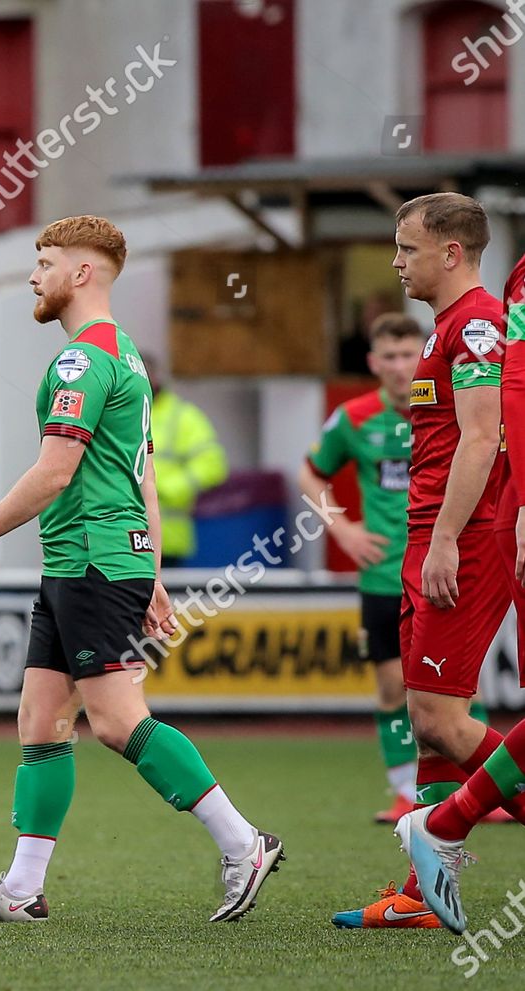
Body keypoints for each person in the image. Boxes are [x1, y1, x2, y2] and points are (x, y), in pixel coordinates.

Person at [0, 215, 282, 925]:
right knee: (42, 718)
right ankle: (22, 887)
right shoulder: (124, 355)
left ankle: (243, 842)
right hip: (88, 560)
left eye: (45, 262)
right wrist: (152, 572)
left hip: (92, 558)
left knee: (118, 721)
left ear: (82, 272)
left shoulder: (82, 360)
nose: (34, 276)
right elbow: (141, 475)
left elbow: (55, 473)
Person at [332, 192, 517, 931]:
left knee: (439, 717)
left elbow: (482, 438)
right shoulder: (447, 327)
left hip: (464, 540)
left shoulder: (475, 325)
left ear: (451, 252)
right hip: (430, 540)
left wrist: (444, 539)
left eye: (407, 248)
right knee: (428, 720)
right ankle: (422, 893)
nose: (396, 261)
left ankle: (436, 848)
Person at [144, 354, 227, 567]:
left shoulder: (183, 417)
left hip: (169, 539)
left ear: (155, 377)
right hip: (122, 540)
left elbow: (213, 465)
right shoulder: (119, 414)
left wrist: (165, 488)